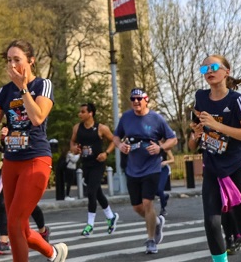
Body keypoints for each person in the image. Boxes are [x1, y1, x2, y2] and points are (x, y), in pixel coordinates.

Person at [0, 39, 68, 262]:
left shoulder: (43, 85)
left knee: (15, 223)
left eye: (17, 60)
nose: (12, 66)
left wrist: (23, 89)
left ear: (31, 61)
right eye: (9, 60)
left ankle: (51, 253)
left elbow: (37, 117)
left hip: (35, 159)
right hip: (11, 161)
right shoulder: (4, 91)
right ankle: (53, 253)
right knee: (17, 227)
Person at [188, 54, 241, 262]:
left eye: (213, 67)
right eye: (204, 69)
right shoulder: (200, 98)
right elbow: (193, 141)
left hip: (236, 169)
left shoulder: (236, 100)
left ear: (226, 71)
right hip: (212, 169)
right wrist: (196, 133)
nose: (209, 72)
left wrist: (216, 125)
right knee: (212, 223)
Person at [114, 87, 178, 255]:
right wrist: (120, 145)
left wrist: (160, 147)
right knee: (137, 207)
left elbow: (173, 139)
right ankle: (156, 222)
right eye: (133, 99)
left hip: (152, 167)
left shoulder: (156, 119)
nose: (136, 102)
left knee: (147, 203)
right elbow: (116, 136)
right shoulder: (126, 117)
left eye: (139, 99)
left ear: (146, 100)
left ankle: (151, 240)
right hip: (132, 168)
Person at [0, 127, 51, 255]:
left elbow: (37, 119)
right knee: (7, 208)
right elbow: (8, 145)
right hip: (12, 164)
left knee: (20, 218)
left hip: (32, 161)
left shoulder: (31, 120)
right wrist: (4, 138)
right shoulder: (10, 123)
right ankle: (4, 241)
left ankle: (42, 230)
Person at [71, 102, 119, 236]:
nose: (80, 114)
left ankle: (90, 225)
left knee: (91, 193)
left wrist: (106, 153)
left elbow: (114, 140)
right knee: (97, 192)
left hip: (98, 164)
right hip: (86, 164)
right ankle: (111, 217)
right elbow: (72, 142)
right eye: (80, 111)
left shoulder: (101, 128)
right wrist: (74, 148)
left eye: (83, 112)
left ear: (90, 113)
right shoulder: (77, 128)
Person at [157, 148, 175, 216]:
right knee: (152, 190)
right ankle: (164, 196)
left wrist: (165, 162)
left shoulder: (165, 146)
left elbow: (172, 159)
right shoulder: (150, 145)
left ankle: (163, 208)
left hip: (163, 169)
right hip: (153, 169)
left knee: (160, 189)